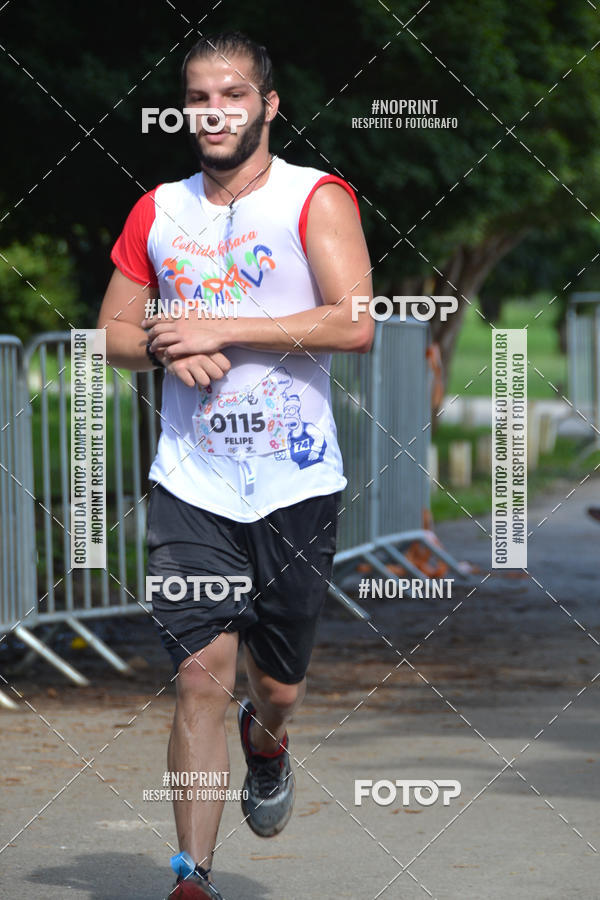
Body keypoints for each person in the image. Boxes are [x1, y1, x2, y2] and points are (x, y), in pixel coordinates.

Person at [97, 31, 373, 899]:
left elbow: (354, 322)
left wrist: (222, 326)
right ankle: (192, 877)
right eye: (199, 98)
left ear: (267, 106)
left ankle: (271, 740)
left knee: (278, 687)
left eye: (233, 95)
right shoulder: (159, 209)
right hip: (193, 481)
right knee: (196, 675)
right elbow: (112, 334)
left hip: (294, 482)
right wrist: (159, 344)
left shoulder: (314, 199)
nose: (213, 111)